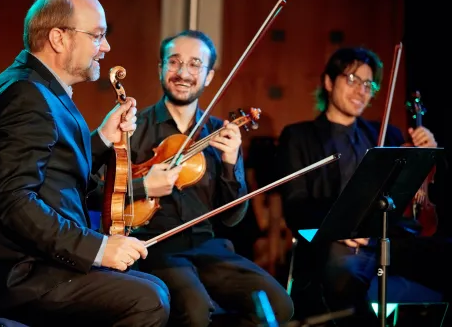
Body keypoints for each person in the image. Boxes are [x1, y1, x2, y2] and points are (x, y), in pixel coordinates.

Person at [0, 0, 170, 327]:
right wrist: (98, 248)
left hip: (35, 264)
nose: (107, 46)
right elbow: (13, 200)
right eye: (97, 35)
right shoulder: (24, 96)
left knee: (153, 286)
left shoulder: (40, 89)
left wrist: (100, 140)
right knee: (147, 300)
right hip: (13, 275)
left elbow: (56, 176)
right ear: (58, 37)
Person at [94, 29, 294, 326]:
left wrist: (229, 162)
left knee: (278, 305)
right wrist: (144, 185)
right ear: (160, 68)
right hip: (151, 246)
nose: (183, 72)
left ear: (210, 76)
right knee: (195, 310)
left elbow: (232, 218)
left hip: (208, 248)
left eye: (195, 64)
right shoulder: (132, 126)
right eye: (174, 62)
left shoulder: (220, 133)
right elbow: (93, 190)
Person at [275, 46, 452, 326]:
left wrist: (428, 154)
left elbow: (418, 196)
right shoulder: (298, 136)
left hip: (387, 240)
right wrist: (340, 225)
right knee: (342, 272)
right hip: (335, 244)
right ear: (329, 82)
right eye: (352, 79)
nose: (361, 91)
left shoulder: (387, 135)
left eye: (369, 84)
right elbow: (296, 207)